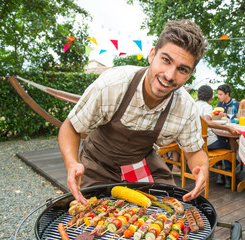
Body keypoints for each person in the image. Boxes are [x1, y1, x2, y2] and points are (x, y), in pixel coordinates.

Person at [58, 19, 209, 205]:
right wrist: (72, 163)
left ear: (190, 74)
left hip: (142, 163)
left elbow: (194, 151)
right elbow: (70, 127)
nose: (169, 76)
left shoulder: (186, 108)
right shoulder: (112, 84)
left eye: (182, 69)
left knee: (168, 213)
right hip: (98, 163)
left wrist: (202, 170)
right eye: (166, 60)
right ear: (152, 54)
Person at [195, 85, 239, 188]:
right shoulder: (206, 106)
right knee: (229, 146)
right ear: (210, 98)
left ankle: (220, 174)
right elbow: (207, 122)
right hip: (205, 141)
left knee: (221, 140)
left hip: (195, 141)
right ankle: (228, 177)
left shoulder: (194, 105)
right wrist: (227, 128)